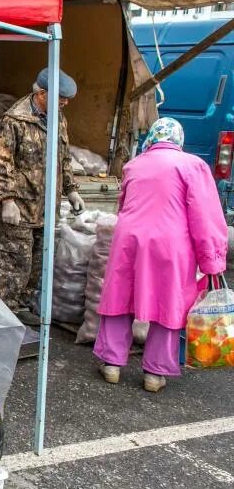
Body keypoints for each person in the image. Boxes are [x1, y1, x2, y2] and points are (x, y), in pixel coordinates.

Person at [94, 118, 228, 392]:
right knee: (169, 302)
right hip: (171, 244)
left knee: (119, 296)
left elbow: (124, 203)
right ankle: (155, 373)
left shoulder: (134, 165)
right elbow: (206, 217)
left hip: (128, 239)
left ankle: (111, 364)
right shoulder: (193, 166)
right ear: (178, 141)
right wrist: (212, 259)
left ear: (152, 138)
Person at [0, 68, 85, 326]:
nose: (65, 103)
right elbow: (1, 162)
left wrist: (71, 189)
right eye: (61, 98)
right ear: (41, 94)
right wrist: (6, 199)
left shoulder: (58, 118)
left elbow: (63, 158)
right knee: (15, 264)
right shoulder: (15, 120)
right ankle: (4, 315)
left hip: (46, 206)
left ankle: (21, 308)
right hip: (20, 206)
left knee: (38, 263)